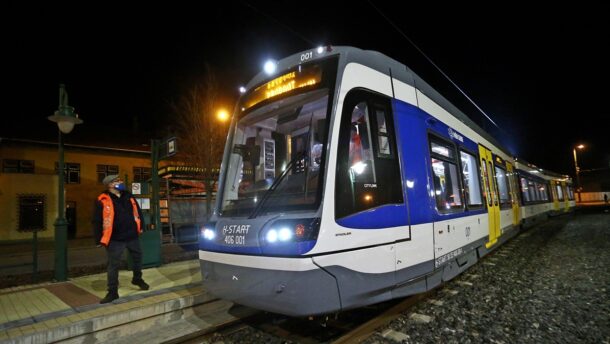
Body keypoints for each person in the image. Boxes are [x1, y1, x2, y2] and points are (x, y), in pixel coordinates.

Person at [93, 174, 149, 304]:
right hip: (115, 238)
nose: (120, 182)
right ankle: (112, 292)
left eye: (120, 180)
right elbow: (96, 220)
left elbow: (138, 211)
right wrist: (98, 239)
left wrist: (142, 227)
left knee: (138, 258)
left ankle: (137, 278)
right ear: (110, 185)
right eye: (117, 181)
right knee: (113, 265)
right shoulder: (102, 199)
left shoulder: (128, 195)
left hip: (132, 235)